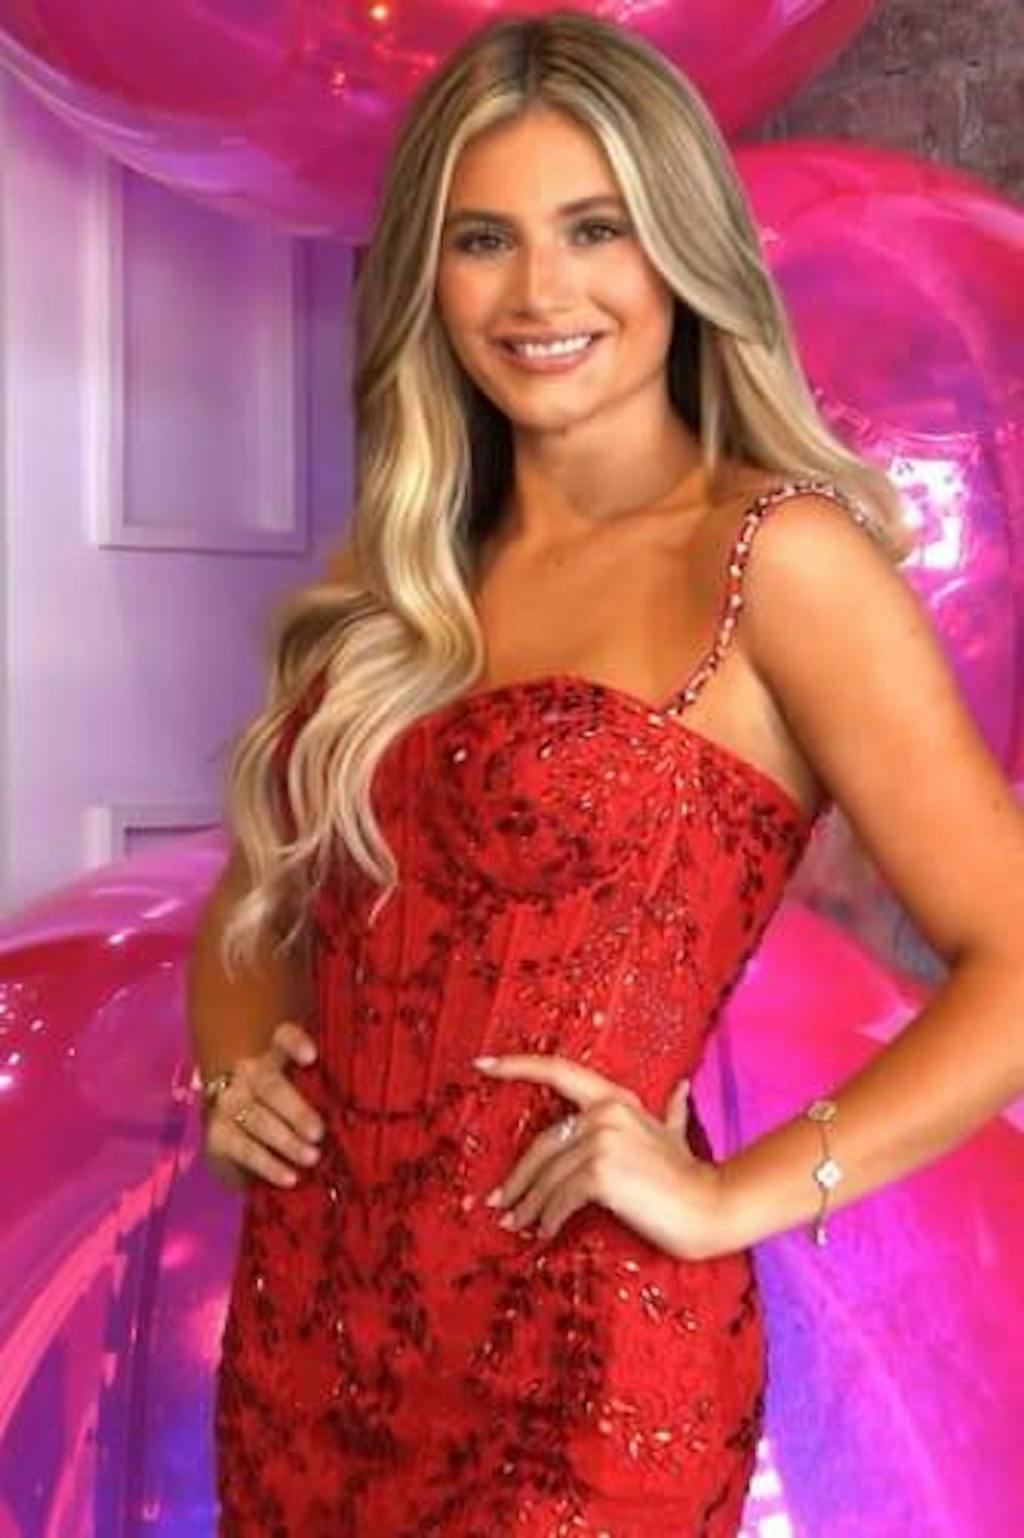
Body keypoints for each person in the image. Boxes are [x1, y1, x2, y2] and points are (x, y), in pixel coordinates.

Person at [186, 11, 1024, 1536]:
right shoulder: (400, 578)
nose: (540, 292)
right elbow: (263, 899)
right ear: (427, 276)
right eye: (483, 240)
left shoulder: (776, 560)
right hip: (310, 1339)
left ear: (680, 250)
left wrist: (733, 1194)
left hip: (587, 1362)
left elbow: (1014, 959)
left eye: (596, 229)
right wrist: (235, 1073)